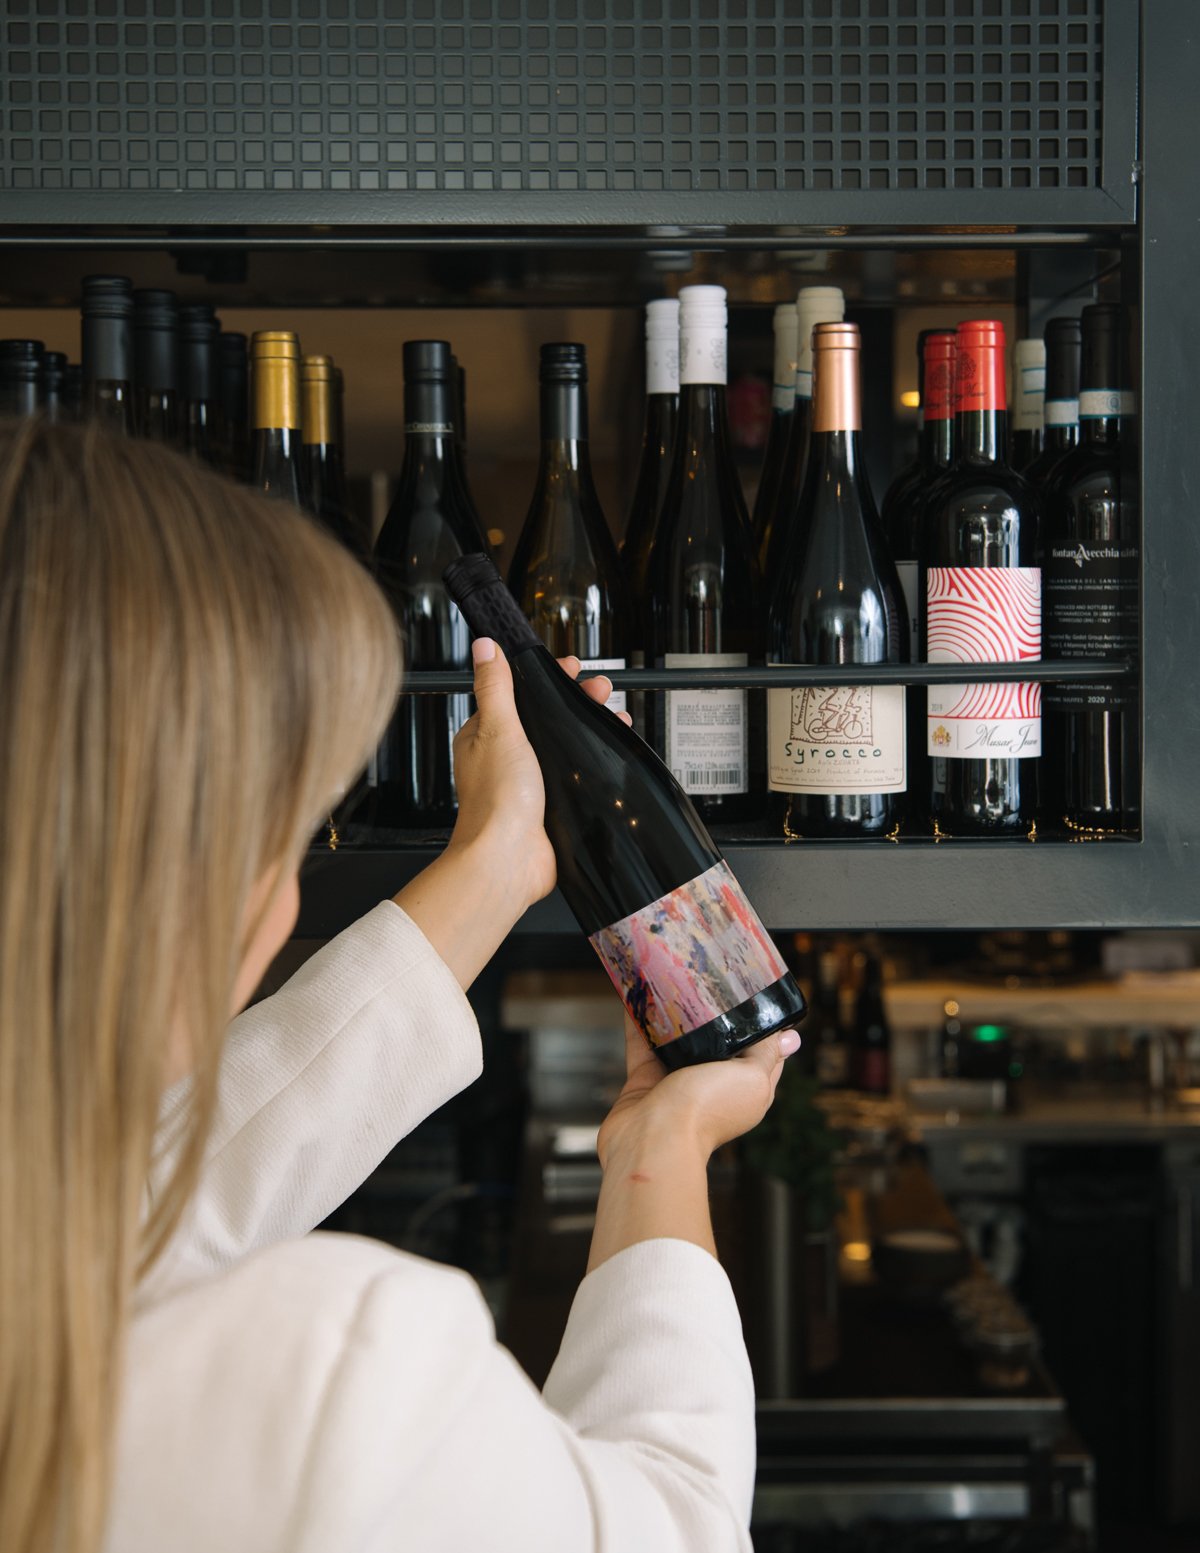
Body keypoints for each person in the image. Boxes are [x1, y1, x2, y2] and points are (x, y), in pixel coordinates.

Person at [0, 418, 799, 1553]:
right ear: (165, 886)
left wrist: (500, 864)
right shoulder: (333, 1379)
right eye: (277, 837)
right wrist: (658, 1149)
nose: (280, 901)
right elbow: (675, 1528)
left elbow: (164, 1195)